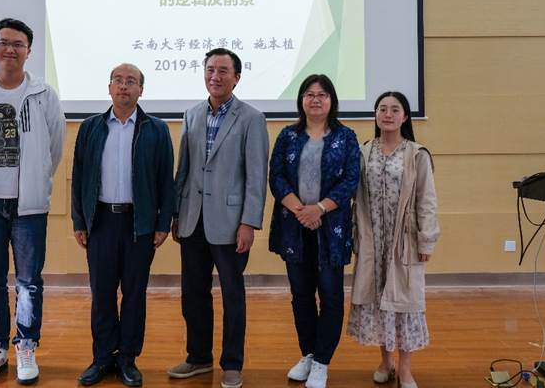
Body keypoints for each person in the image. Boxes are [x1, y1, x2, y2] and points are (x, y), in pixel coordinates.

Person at [0, 18, 65, 386]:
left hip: (28, 206)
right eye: (4, 42)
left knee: (29, 282)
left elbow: (54, 147)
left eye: (18, 44)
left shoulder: (43, 94)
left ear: (28, 51)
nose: (10, 49)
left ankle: (26, 347)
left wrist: (36, 177)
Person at [168, 48, 269, 388]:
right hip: (192, 219)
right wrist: (176, 214)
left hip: (231, 223)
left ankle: (232, 364)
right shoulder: (192, 114)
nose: (215, 76)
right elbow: (184, 169)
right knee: (193, 293)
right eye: (210, 69)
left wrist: (249, 222)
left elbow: (256, 176)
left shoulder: (252, 118)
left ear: (236, 77)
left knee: (232, 296)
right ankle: (198, 357)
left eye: (223, 71)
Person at [71, 63, 176, 387]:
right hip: (100, 221)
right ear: (109, 87)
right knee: (102, 294)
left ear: (141, 90)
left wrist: (163, 223)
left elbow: (166, 181)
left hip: (138, 223)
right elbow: (78, 177)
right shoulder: (90, 128)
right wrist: (79, 220)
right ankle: (103, 357)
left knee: (134, 294)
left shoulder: (156, 130)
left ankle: (128, 359)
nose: (124, 86)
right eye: (118, 80)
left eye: (131, 81)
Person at [268, 74, 360, 388]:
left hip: (330, 228)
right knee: (301, 295)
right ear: (301, 100)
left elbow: (351, 180)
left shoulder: (345, 137)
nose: (316, 99)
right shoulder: (288, 135)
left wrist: (318, 209)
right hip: (294, 227)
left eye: (322, 94)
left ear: (331, 100)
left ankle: (322, 362)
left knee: (331, 296)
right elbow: (276, 177)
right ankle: (307, 354)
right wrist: (301, 211)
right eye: (309, 94)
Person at [347, 91, 440, 388]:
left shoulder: (417, 154)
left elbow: (427, 200)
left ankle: (405, 369)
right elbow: (356, 200)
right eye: (382, 109)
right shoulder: (364, 152)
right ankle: (385, 362)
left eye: (394, 109)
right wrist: (355, 237)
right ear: (375, 114)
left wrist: (426, 240)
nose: (388, 114)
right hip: (373, 240)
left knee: (405, 303)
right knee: (379, 301)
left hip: (405, 242)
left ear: (405, 116)